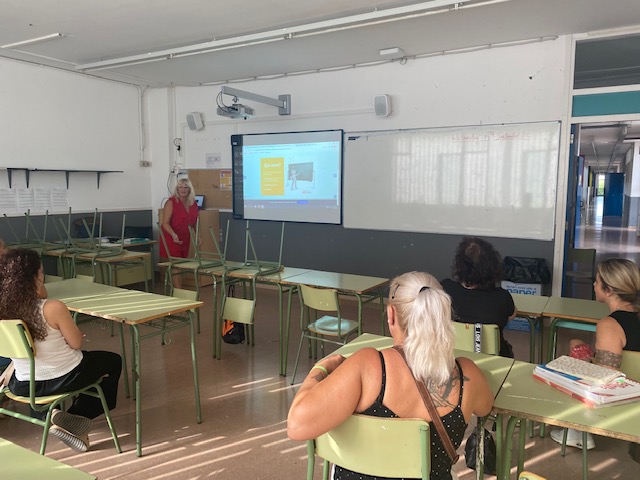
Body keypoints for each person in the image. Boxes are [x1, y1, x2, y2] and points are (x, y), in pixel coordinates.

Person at [287, 271, 493, 480]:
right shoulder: (467, 374)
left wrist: (321, 368)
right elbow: (485, 408)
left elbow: (296, 426)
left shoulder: (366, 366)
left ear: (391, 314)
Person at [0, 248, 122, 452]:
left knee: (41, 394)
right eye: (41, 271)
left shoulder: (4, 310)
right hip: (65, 377)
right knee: (113, 361)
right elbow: (76, 344)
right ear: (35, 277)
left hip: (26, 386)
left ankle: (51, 416)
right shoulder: (52, 307)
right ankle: (75, 417)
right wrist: (71, 335)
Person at [550, 257, 640, 450]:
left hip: (626, 394)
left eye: (597, 281)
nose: (594, 284)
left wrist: (578, 360)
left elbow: (605, 377)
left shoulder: (610, 325)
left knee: (574, 351)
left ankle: (577, 431)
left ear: (609, 291)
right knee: (577, 343)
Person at [441, 237, 517, 358]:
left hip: (452, 358)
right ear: (493, 267)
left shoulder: (445, 289)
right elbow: (512, 315)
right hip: (494, 359)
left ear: (459, 266)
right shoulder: (502, 297)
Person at [159, 177, 199, 288]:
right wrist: (173, 234)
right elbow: (165, 223)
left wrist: (198, 236)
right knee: (176, 264)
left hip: (185, 237)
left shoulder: (193, 203)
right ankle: (178, 291)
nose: (183, 190)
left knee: (182, 264)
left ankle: (178, 288)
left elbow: (194, 222)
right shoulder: (171, 202)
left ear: (190, 189)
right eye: (180, 187)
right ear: (177, 189)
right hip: (171, 236)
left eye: (185, 187)